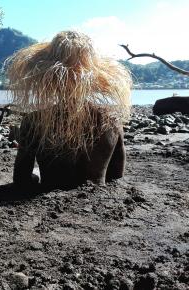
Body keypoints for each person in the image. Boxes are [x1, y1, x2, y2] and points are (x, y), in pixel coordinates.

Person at [8, 31, 132, 191]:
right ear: (93, 79)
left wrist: (35, 177)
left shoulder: (33, 122)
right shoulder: (112, 121)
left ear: (50, 79)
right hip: (94, 199)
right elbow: (116, 176)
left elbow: (21, 179)